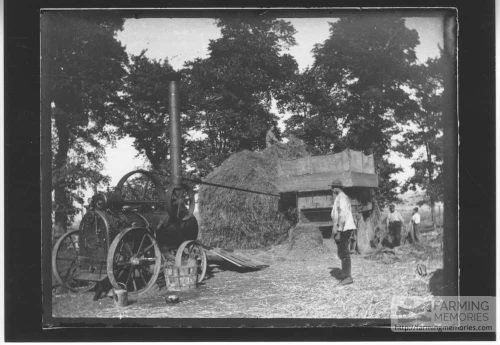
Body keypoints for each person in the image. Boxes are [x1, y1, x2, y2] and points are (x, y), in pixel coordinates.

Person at [330, 182, 356, 285]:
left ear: (338, 188)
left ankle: (347, 277)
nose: (332, 190)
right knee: (341, 252)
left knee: (344, 253)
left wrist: (339, 231)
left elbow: (342, 215)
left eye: (333, 187)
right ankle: (345, 273)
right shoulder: (339, 198)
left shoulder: (342, 198)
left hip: (344, 228)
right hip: (342, 228)